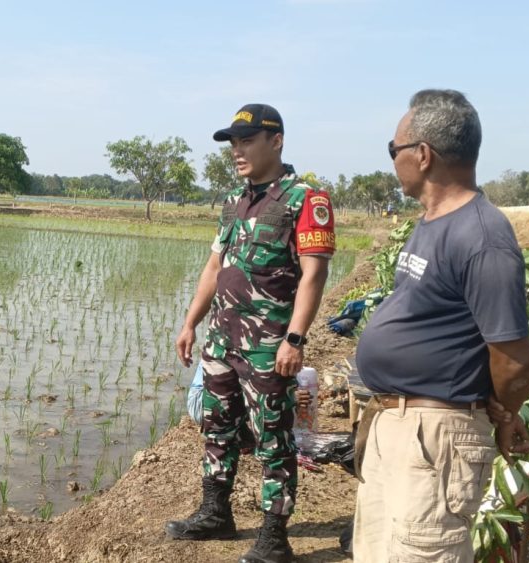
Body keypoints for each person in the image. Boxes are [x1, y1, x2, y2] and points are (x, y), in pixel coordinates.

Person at [351, 89, 529, 562]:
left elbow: (512, 359)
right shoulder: (432, 221)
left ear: (423, 155)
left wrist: (504, 414)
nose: (393, 162)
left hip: (435, 435)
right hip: (398, 422)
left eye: (394, 150)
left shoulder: (483, 237)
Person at [167, 103, 336, 563]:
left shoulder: (306, 200)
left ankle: (275, 538)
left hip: (268, 346)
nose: (237, 151)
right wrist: (190, 323)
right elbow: (213, 266)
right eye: (233, 144)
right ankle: (215, 512)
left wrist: (295, 338)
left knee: (272, 437)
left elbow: (314, 275)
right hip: (221, 338)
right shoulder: (235, 201)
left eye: (246, 141)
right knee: (217, 427)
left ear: (276, 140)